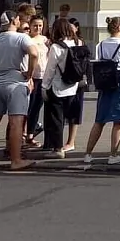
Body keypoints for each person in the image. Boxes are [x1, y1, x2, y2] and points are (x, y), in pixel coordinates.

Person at [0, 3, 38, 170]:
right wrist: (29, 74)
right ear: (14, 21)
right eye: (18, 19)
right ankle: (16, 160)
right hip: (16, 83)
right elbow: (34, 54)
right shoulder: (21, 38)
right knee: (16, 123)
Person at [83, 17, 120, 165]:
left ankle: (88, 153)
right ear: (119, 28)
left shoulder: (100, 45)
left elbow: (99, 62)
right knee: (119, 121)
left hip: (105, 82)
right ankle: (113, 155)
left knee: (100, 120)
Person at [41, 17, 84, 155]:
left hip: (58, 87)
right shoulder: (77, 43)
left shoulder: (56, 47)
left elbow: (50, 69)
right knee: (70, 116)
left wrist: (44, 86)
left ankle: (58, 148)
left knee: (57, 119)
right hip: (73, 86)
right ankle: (70, 142)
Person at [24, 15, 48, 148]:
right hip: (31, 77)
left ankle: (30, 135)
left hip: (43, 77)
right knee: (27, 107)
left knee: (37, 107)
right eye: (35, 25)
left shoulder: (45, 40)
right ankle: (22, 133)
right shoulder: (27, 39)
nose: (38, 28)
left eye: (40, 25)